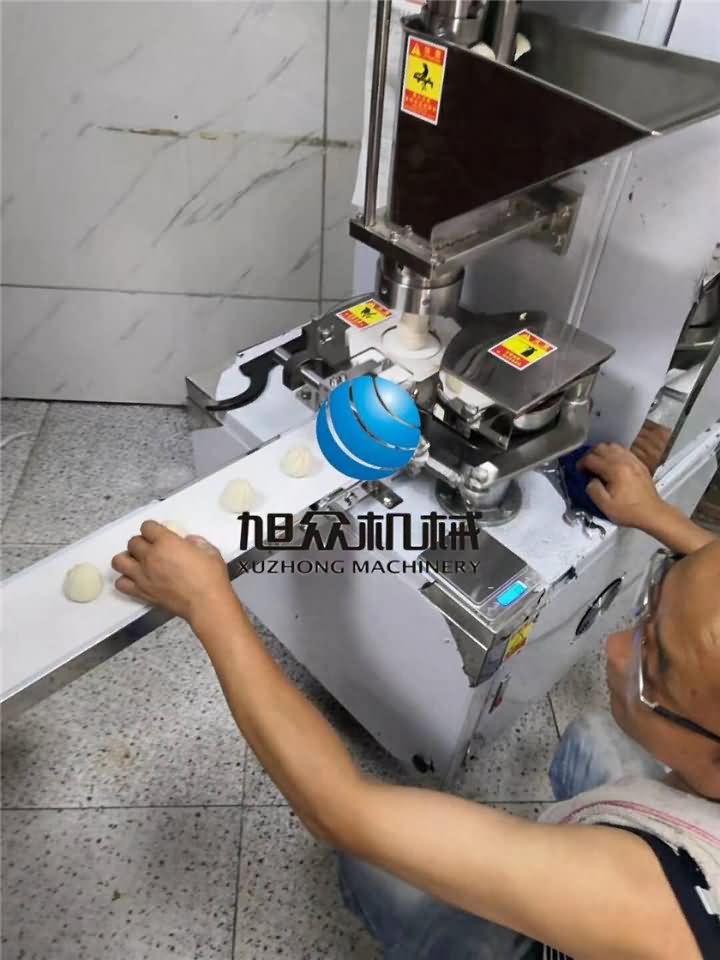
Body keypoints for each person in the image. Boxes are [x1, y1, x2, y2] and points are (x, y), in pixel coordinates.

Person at [111, 443, 720, 960]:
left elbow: (338, 809)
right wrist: (655, 514)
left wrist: (209, 604)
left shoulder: (650, 905)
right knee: (591, 738)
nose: (615, 646)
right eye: (650, 609)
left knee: (375, 865)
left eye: (655, 664)